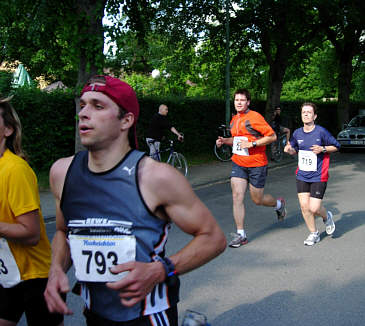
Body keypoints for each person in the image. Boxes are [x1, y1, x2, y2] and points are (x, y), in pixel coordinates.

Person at [44, 75, 226, 326]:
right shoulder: (62, 173)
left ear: (126, 120)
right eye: (83, 105)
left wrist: (160, 269)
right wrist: (56, 269)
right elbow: (64, 232)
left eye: (98, 106)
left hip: (148, 316)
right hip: (94, 314)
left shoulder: (156, 177)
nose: (84, 113)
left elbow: (213, 238)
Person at [0, 96, 63, 326]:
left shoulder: (15, 170)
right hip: (8, 273)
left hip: (36, 276)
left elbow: (31, 233)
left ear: (8, 130)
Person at [215, 89, 286, 248]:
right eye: (236, 100)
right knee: (237, 196)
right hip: (239, 163)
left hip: (257, 164)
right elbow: (238, 140)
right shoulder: (234, 120)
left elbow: (272, 136)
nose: (239, 102)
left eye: (242, 100)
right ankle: (241, 234)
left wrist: (253, 144)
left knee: (257, 200)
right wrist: (224, 141)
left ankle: (279, 205)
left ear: (248, 102)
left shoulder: (255, 117)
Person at [284, 102, 340, 246]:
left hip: (318, 175)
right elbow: (294, 149)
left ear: (314, 116)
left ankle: (326, 216)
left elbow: (336, 146)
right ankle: (313, 233)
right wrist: (289, 150)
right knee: (304, 206)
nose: (306, 114)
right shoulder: (297, 133)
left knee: (314, 208)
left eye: (309, 112)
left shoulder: (321, 132)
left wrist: (322, 148)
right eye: (304, 112)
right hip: (302, 174)